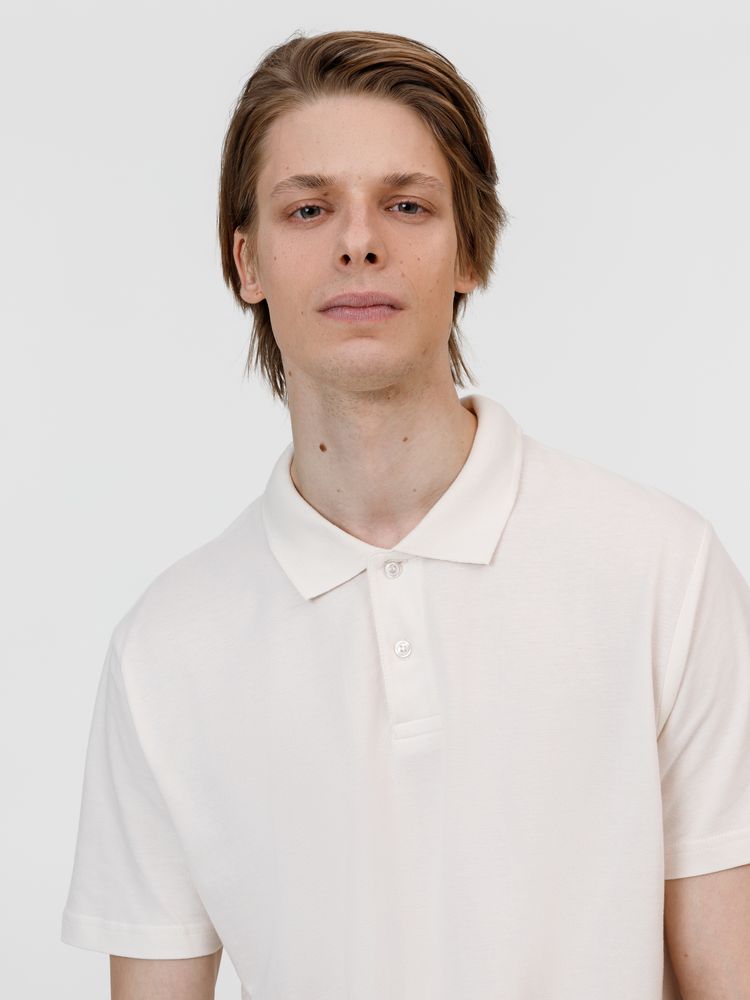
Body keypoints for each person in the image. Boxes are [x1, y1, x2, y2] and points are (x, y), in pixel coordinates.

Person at [60, 29, 750, 1000]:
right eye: (309, 208)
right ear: (247, 262)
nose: (359, 242)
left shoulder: (662, 571)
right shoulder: (164, 651)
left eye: (406, 204)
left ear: (469, 250)